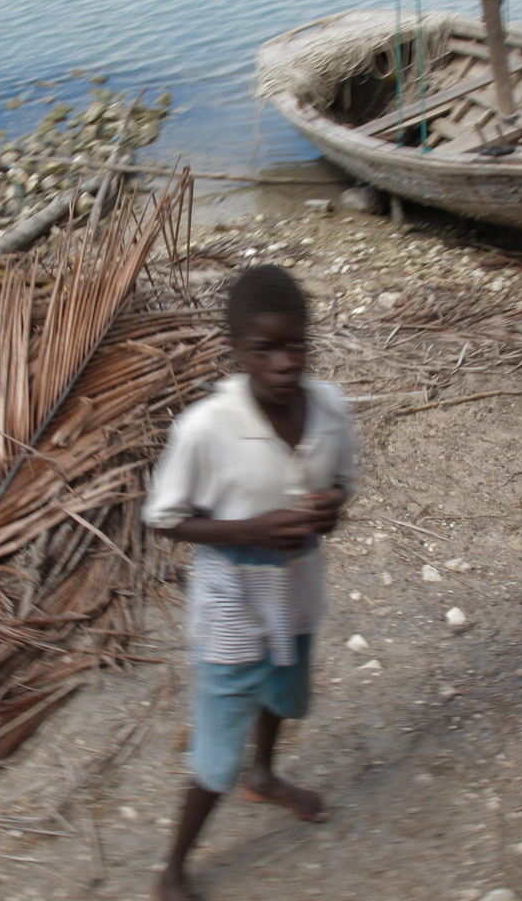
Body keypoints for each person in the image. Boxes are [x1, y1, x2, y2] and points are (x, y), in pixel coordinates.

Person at [143, 264, 358, 901]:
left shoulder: (332, 409)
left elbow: (343, 484)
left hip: (296, 587)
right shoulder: (206, 428)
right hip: (233, 597)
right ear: (237, 352)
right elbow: (164, 519)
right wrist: (249, 530)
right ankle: (174, 868)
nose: (284, 361)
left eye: (296, 343)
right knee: (216, 745)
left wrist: (332, 507)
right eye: (264, 348)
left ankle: (263, 774)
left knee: (283, 689)